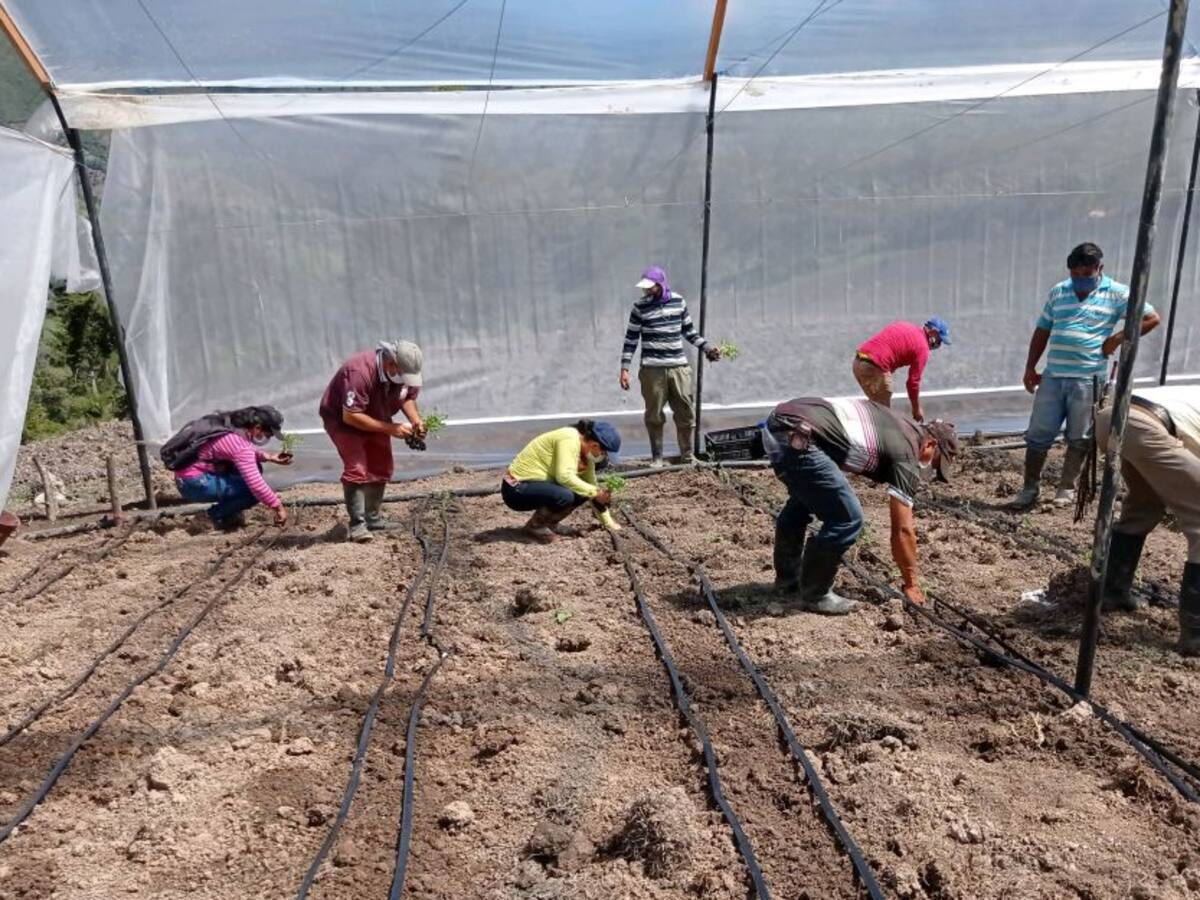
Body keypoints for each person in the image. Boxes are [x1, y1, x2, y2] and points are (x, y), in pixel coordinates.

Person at [763, 397, 958, 614]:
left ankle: (787, 583)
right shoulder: (907, 452)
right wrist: (911, 583)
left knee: (800, 506)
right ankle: (815, 595)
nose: (928, 469)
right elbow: (903, 530)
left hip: (780, 423)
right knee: (847, 519)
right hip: (801, 435)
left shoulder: (901, 425)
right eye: (934, 462)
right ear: (930, 444)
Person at [1011, 242, 1160, 510]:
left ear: (1099, 268)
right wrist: (1030, 367)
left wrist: (1116, 338)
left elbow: (1151, 318)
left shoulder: (1117, 293)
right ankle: (1030, 488)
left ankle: (1066, 488)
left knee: (1080, 435)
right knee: (1038, 433)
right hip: (1053, 376)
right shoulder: (1060, 291)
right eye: (1075, 274)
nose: (1080, 279)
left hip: (1088, 378)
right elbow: (1043, 330)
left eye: (1086, 275)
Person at [1094, 386, 1199, 656]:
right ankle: (1196, 635)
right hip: (1145, 425)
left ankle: (1113, 592)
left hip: (1113, 418)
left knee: (1144, 506)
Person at [319, 339, 426, 542]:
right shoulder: (359, 372)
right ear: (391, 364)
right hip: (343, 420)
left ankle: (373, 518)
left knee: (381, 463)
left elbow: (407, 397)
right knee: (357, 466)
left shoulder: (402, 372)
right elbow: (351, 415)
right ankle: (357, 524)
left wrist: (416, 421)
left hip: (376, 413)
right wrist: (391, 428)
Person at [619, 265, 721, 467]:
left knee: (685, 411)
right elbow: (631, 339)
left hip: (678, 367)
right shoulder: (640, 307)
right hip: (652, 369)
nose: (647, 290)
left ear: (660, 284)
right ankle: (657, 457)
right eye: (645, 287)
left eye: (651, 286)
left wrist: (707, 348)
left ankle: (687, 456)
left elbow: (689, 332)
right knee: (654, 414)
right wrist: (624, 368)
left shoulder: (678, 302)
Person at [502, 419, 622, 543]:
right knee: (566, 495)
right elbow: (564, 477)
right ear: (594, 445)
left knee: (583, 491)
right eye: (604, 453)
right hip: (516, 488)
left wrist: (608, 523)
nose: (604, 456)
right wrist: (596, 492)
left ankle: (550, 524)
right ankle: (535, 527)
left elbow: (591, 487)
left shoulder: (586, 454)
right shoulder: (569, 438)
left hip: (537, 485)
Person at [174, 405, 290, 530]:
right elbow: (256, 485)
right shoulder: (239, 445)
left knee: (252, 470)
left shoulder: (230, 428)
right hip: (195, 484)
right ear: (257, 428)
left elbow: (239, 451)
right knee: (252, 493)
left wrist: (269, 457)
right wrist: (278, 507)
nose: (267, 438)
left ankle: (228, 512)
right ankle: (209, 517)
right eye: (268, 434)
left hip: (187, 479)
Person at [853, 318, 950, 421]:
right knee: (884, 417)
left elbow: (889, 346)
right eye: (939, 341)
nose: (938, 345)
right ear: (933, 333)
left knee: (875, 409)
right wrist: (916, 409)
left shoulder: (905, 326)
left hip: (858, 362)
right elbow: (913, 382)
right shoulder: (923, 348)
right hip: (875, 367)